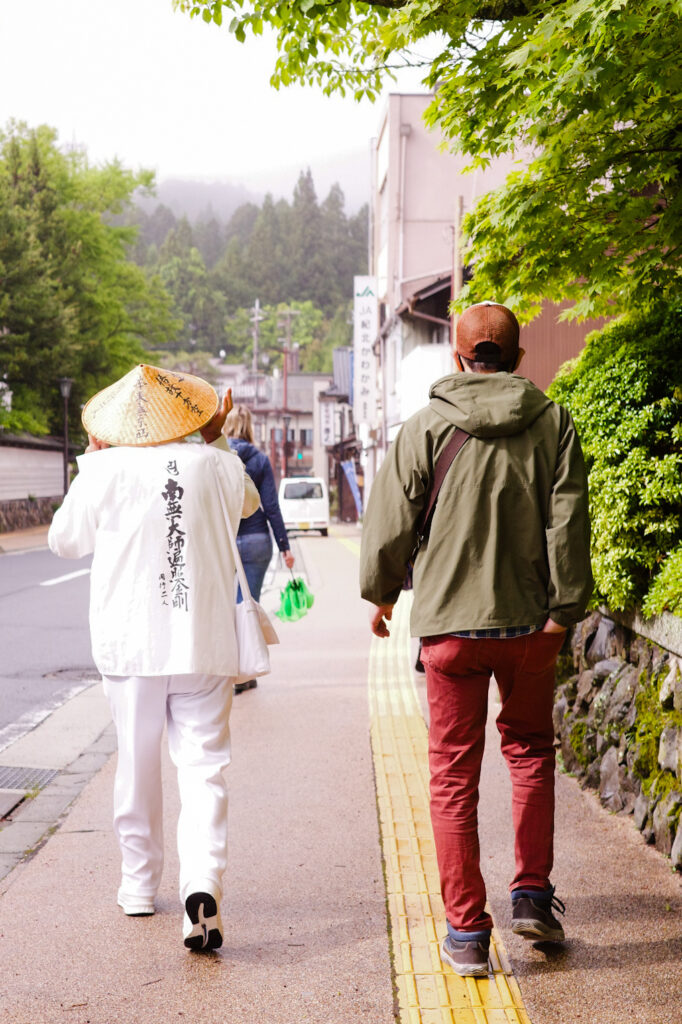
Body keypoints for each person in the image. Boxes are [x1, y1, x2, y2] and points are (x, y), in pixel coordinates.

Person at [360, 302, 592, 977]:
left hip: (448, 631)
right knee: (529, 754)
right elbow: (567, 523)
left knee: (452, 777)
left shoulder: (426, 426)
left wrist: (380, 598)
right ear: (519, 359)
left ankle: (466, 933)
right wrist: (562, 612)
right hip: (529, 628)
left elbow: (389, 523)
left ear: (458, 358)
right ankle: (532, 895)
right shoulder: (552, 422)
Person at [48, 363, 260, 952]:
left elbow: (65, 540)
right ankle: (203, 882)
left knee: (137, 764)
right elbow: (246, 505)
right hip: (204, 643)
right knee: (204, 766)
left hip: (131, 643)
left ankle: (139, 886)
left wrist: (92, 459)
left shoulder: (106, 467)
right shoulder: (216, 462)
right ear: (187, 415)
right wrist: (216, 436)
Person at [223, 403, 295, 694]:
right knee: (247, 605)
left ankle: (230, 670)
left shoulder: (215, 458)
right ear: (249, 426)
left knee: (226, 607)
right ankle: (246, 672)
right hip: (256, 541)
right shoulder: (260, 459)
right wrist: (284, 546)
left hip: (224, 541)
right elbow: (272, 507)